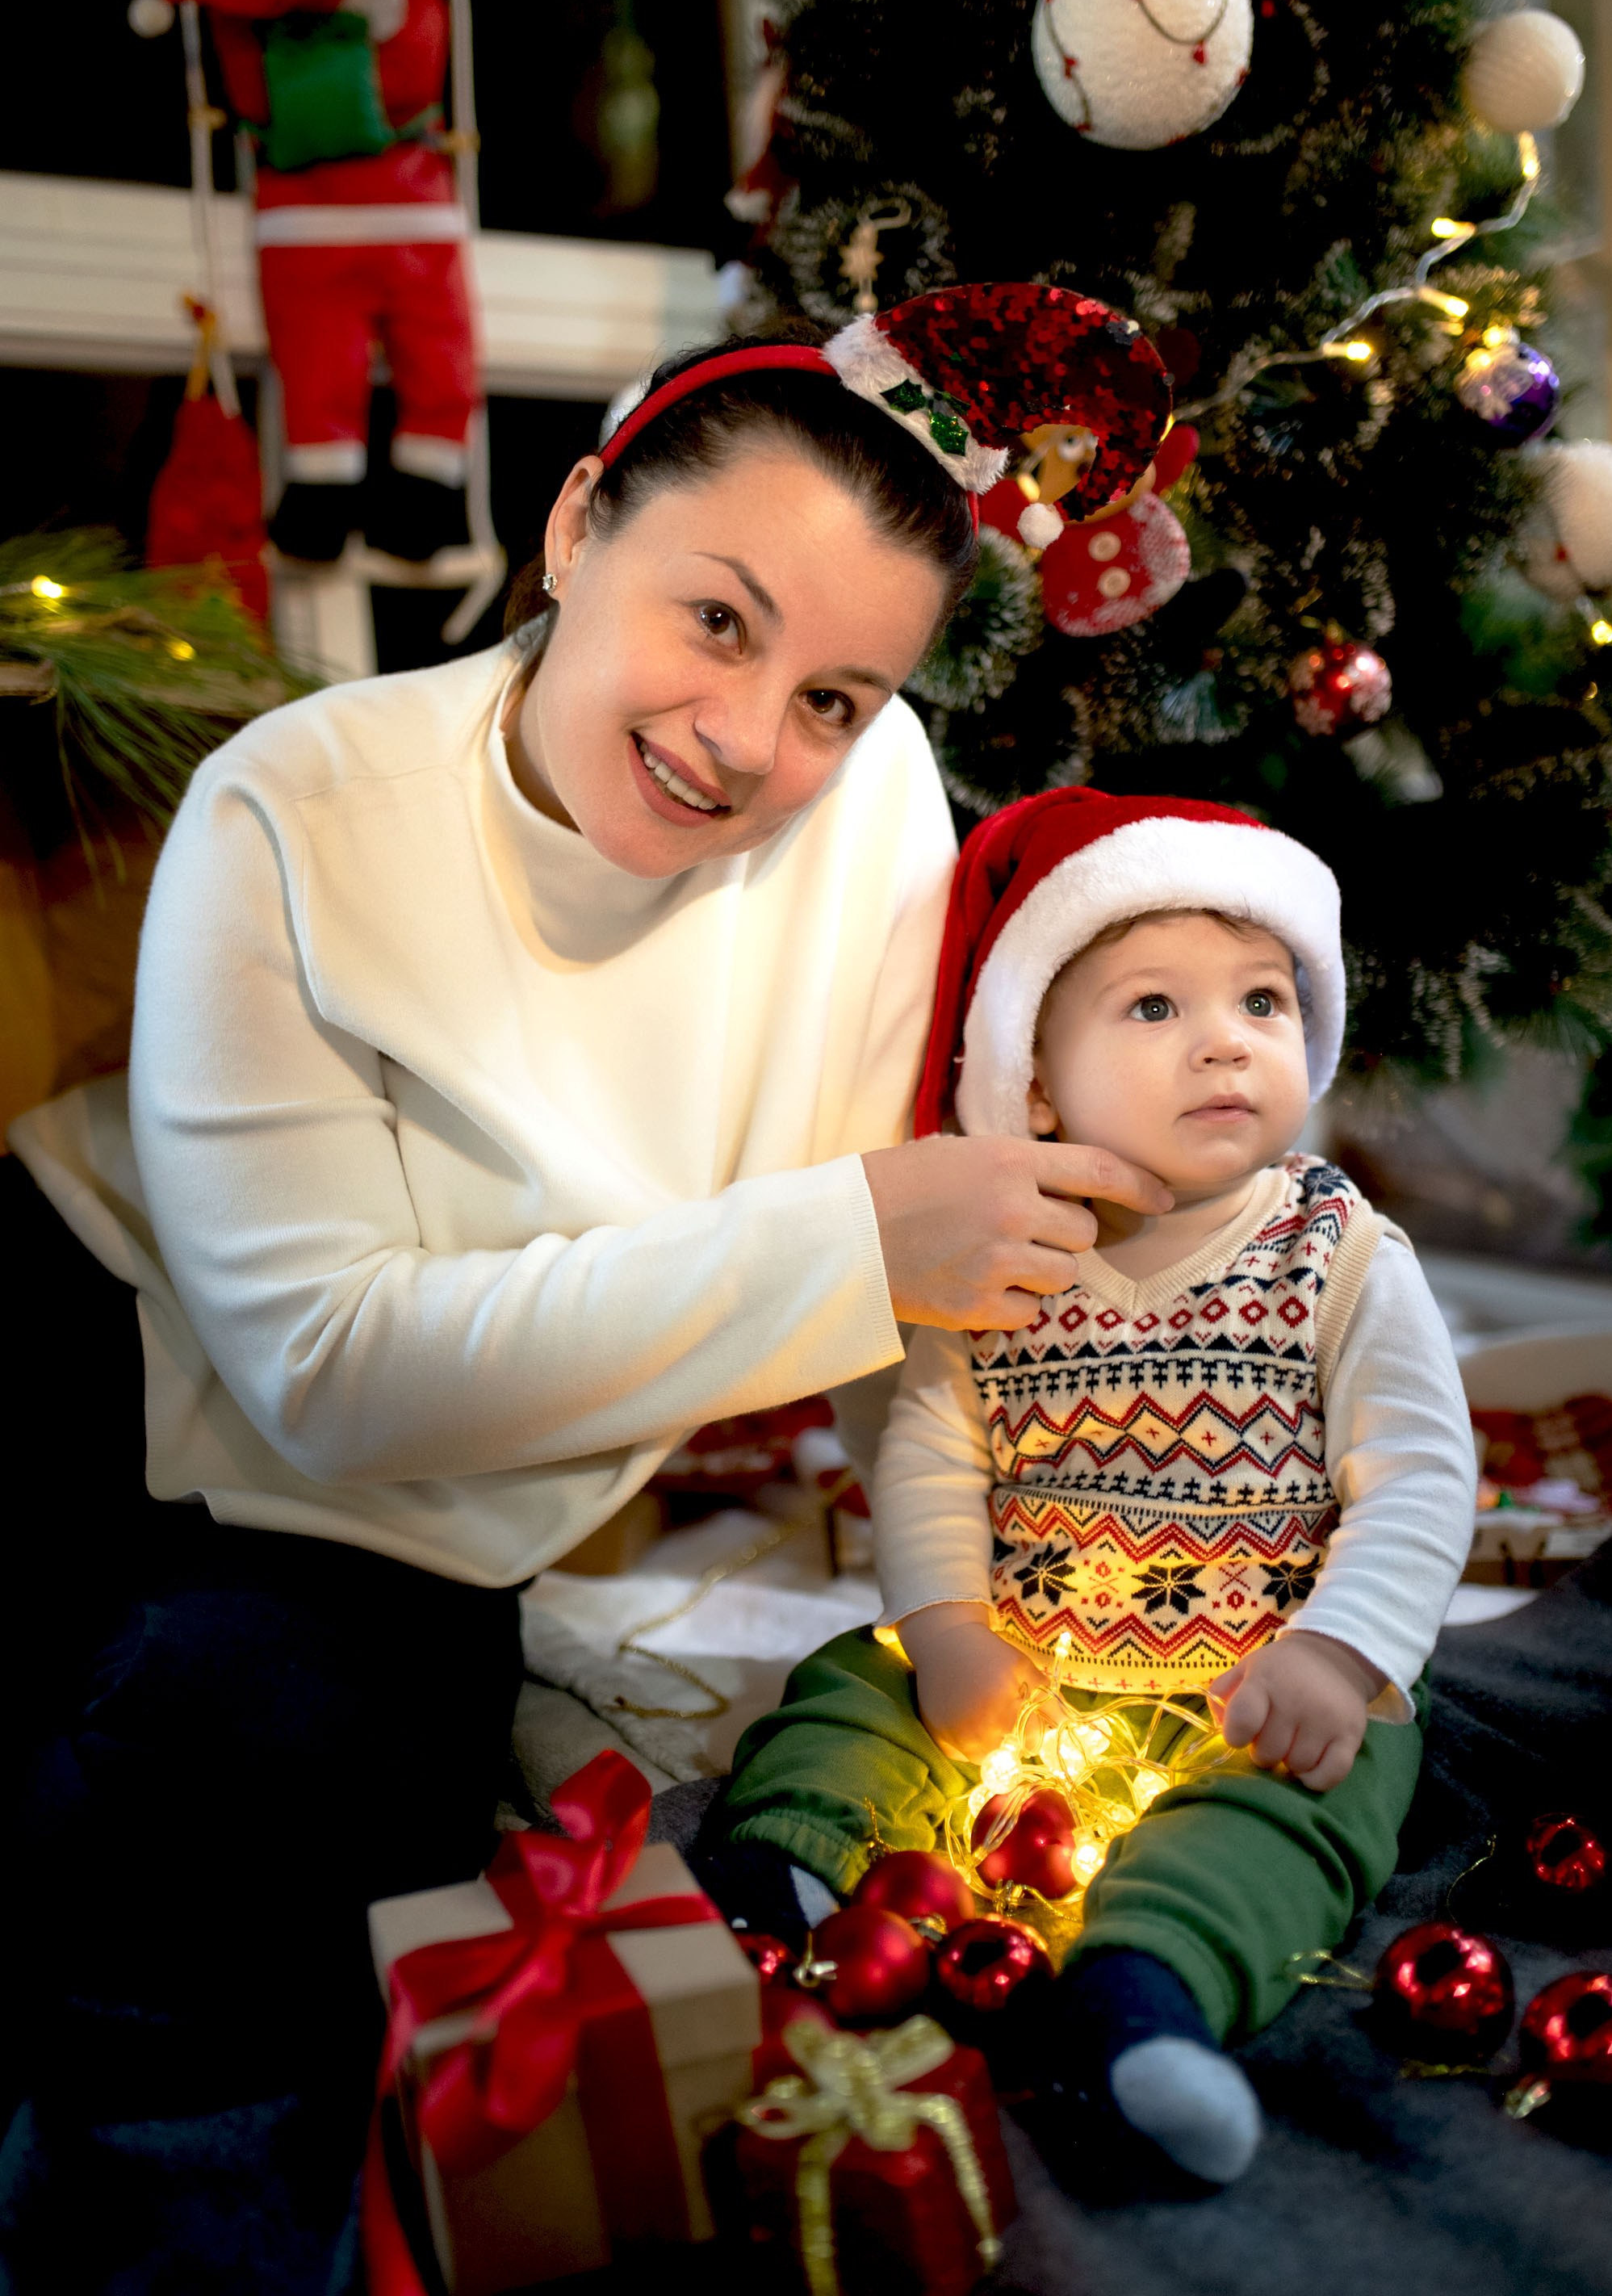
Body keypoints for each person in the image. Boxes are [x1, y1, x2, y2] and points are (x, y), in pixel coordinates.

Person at [2, 291, 1174, 2289]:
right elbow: (326, 1372)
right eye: (716, 618)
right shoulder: (297, 806)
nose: (749, 739)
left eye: (835, 695)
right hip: (85, 1326)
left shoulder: (874, 808)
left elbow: (909, 1254)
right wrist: (846, 1246)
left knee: (277, 1783)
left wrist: (969, 1595)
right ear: (572, 529)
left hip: (406, 1522)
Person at [714, 786, 1478, 2193]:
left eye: (1263, 1000)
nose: (1225, 1039)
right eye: (1154, 1005)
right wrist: (949, 1630)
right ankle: (787, 1895)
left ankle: (1147, 1995)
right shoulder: (1002, 1256)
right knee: (850, 1692)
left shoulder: (1337, 1254)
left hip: (1256, 1679)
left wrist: (1338, 1650)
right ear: (1036, 1082)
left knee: (1303, 1806)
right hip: (1029, 1667)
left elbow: (1423, 1477)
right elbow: (931, 1456)